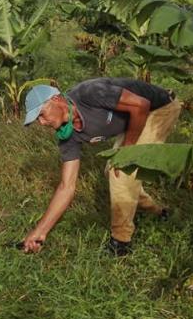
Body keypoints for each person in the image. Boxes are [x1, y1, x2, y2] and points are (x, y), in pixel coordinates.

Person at [21, 78, 182, 256]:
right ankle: (156, 212)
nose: (42, 123)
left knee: (121, 173)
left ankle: (121, 244)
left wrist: (126, 149)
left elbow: (141, 105)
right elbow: (67, 187)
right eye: (38, 120)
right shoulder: (68, 136)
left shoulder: (90, 93)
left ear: (56, 100)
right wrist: (40, 231)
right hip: (136, 118)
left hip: (159, 108)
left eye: (41, 115)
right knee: (112, 172)